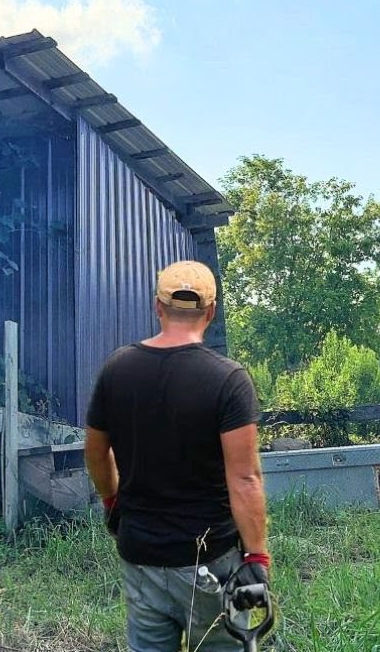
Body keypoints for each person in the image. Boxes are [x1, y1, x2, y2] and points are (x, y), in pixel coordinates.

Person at [84, 260, 270, 652]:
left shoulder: (117, 369)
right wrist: (256, 555)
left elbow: (97, 453)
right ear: (211, 312)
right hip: (210, 561)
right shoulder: (228, 379)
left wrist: (112, 500)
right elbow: (245, 478)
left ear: (158, 307)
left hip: (141, 556)